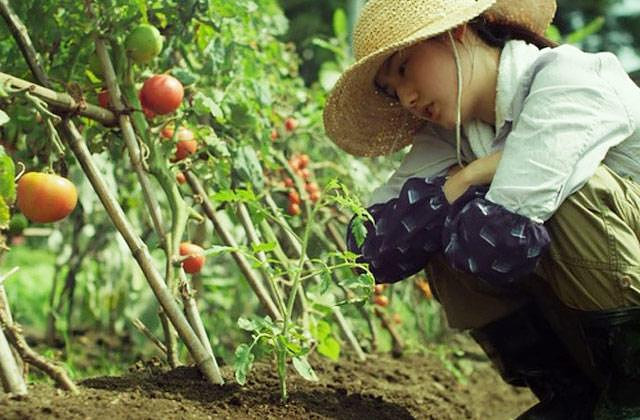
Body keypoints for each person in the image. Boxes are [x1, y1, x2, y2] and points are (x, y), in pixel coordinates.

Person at [322, 0, 640, 418]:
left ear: (454, 32)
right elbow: (369, 247)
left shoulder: (569, 79)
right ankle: (573, 397)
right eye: (391, 90)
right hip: (596, 321)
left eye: (404, 69)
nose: (408, 97)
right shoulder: (451, 137)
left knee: (571, 193)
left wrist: (469, 183)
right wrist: (464, 180)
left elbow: (502, 238)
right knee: (434, 221)